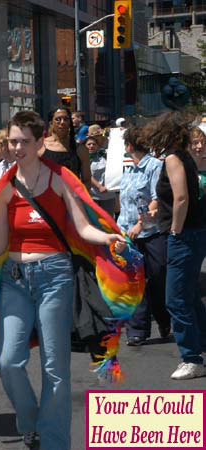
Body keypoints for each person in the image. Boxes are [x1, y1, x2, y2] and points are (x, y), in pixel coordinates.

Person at [0, 111, 127, 449]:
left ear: (39, 142)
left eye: (23, 142)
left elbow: (82, 226)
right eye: (12, 141)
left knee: (54, 367)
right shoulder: (5, 187)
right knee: (7, 361)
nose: (16, 148)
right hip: (14, 279)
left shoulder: (59, 179)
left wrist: (105, 238)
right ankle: (30, 420)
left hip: (55, 277)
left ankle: (54, 442)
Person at [142, 112, 206, 380]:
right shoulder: (184, 157)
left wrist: (175, 230)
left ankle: (191, 358)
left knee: (176, 299)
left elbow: (181, 198)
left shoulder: (173, 158)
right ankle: (199, 345)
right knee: (188, 294)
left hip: (184, 235)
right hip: (192, 232)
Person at [117, 125, 171, 346]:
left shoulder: (155, 166)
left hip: (151, 232)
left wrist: (141, 223)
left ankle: (163, 317)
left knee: (157, 278)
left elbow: (157, 198)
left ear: (129, 145)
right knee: (134, 281)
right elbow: (124, 203)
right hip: (128, 233)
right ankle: (137, 331)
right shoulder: (128, 169)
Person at [39, 107, 92, 188]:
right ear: (51, 123)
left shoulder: (80, 149)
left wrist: (79, 199)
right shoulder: (40, 147)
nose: (62, 122)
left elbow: (87, 180)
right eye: (58, 119)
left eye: (66, 119)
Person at [85, 134, 115, 217]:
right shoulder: (83, 159)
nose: (91, 146)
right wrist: (99, 186)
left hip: (108, 195)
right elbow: (86, 174)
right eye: (89, 144)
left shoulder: (104, 156)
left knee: (109, 220)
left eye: (94, 144)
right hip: (93, 196)